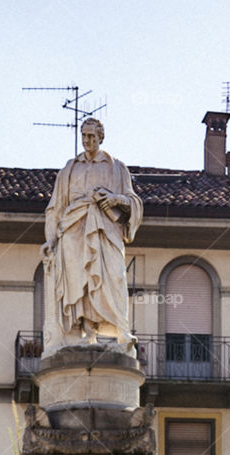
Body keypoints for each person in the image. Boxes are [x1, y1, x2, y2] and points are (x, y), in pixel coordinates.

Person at [42, 117, 143, 356]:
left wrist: (114, 198)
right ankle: (87, 331)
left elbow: (134, 202)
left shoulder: (116, 168)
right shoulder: (68, 169)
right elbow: (55, 208)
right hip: (73, 229)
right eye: (84, 136)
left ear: (101, 138)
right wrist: (50, 239)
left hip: (106, 229)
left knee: (114, 278)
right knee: (79, 280)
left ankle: (121, 329)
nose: (87, 141)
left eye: (92, 137)